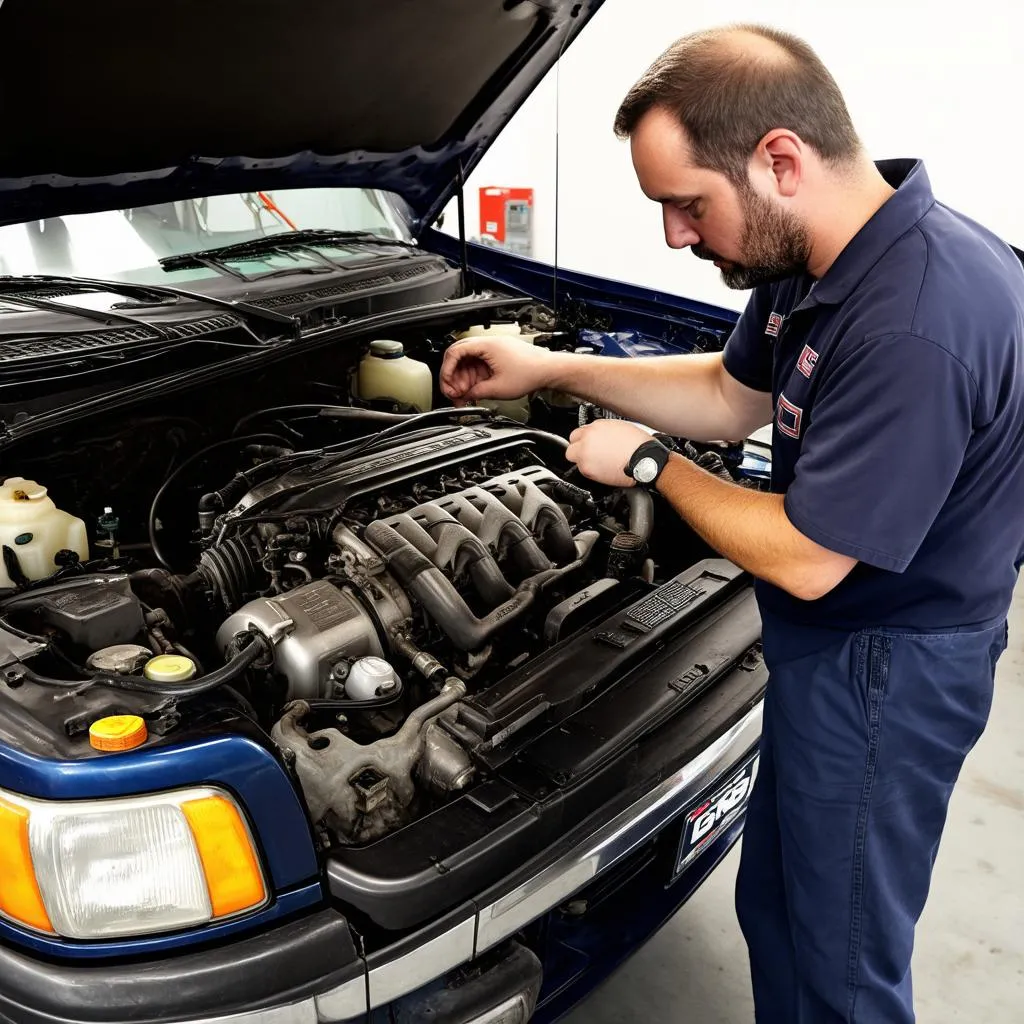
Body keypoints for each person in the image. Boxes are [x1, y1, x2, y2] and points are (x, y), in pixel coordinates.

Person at [440, 23, 1024, 1024]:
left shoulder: (917, 319)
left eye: (685, 205)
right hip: (830, 646)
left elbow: (804, 560)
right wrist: (552, 370)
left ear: (779, 160)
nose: (675, 236)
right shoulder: (818, 256)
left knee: (842, 961)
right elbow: (727, 393)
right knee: (781, 909)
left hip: (887, 666)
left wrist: (650, 464)